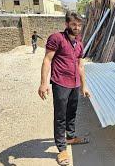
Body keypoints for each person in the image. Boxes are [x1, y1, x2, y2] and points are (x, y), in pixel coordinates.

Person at [38, 11, 91, 166]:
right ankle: (62, 149)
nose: (77, 27)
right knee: (60, 116)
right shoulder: (57, 38)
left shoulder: (80, 43)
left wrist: (84, 86)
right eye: (74, 24)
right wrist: (43, 83)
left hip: (74, 84)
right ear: (67, 24)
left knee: (72, 112)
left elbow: (80, 65)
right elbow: (47, 60)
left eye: (79, 25)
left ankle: (71, 137)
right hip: (60, 83)